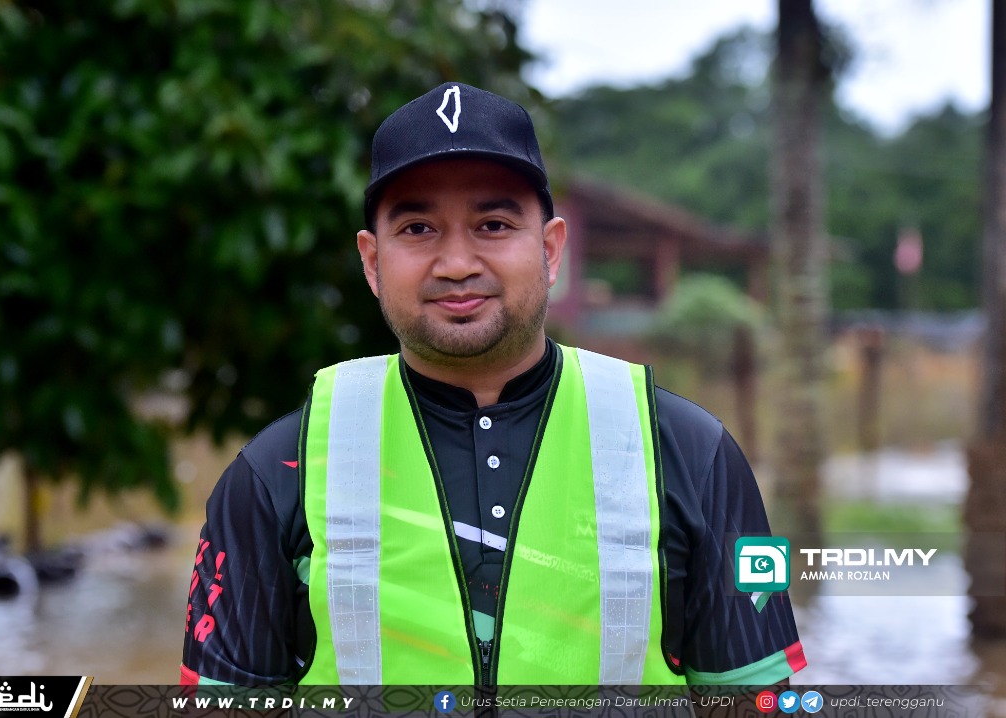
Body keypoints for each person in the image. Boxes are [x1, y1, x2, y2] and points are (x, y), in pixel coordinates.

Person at [181, 82, 805, 687]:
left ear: (551, 249)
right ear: (373, 261)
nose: (456, 264)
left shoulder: (692, 453)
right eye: (418, 229)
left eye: (495, 224)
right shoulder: (279, 471)